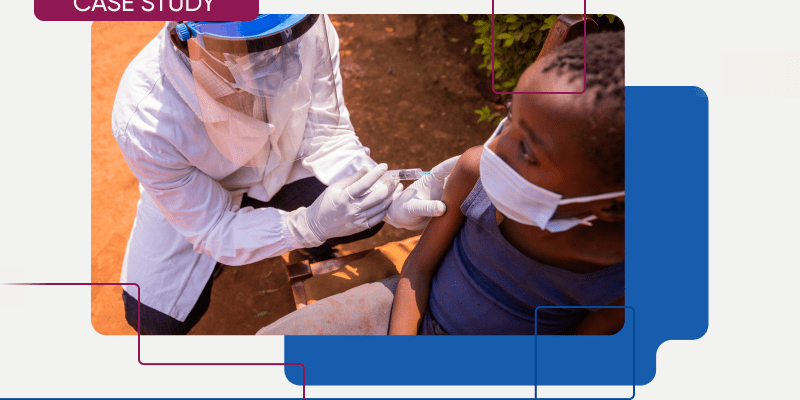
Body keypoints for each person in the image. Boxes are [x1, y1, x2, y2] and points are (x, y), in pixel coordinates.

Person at [258, 30, 625, 336]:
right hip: (409, 307)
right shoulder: (474, 170)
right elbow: (418, 268)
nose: (496, 146)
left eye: (527, 149)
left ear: (608, 205)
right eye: (511, 115)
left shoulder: (625, 275)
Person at [112, 15, 457, 335]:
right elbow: (210, 226)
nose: (281, 54)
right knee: (151, 318)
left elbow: (330, 134)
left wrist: (390, 202)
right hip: (203, 194)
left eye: (285, 37)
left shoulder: (307, 29)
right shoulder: (146, 117)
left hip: (283, 165)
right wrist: (306, 226)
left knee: (363, 212)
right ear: (188, 39)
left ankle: (312, 249)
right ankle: (253, 253)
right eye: (254, 47)